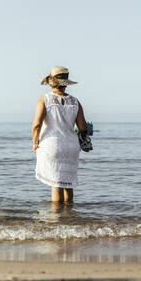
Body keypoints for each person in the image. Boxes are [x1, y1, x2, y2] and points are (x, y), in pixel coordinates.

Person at [32, 66, 88, 203]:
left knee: (56, 184)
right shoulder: (75, 102)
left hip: (53, 145)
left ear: (51, 82)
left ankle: (57, 220)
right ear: (66, 83)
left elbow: (36, 125)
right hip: (71, 146)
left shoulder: (45, 99)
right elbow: (83, 127)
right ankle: (69, 217)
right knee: (68, 184)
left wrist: (35, 142)